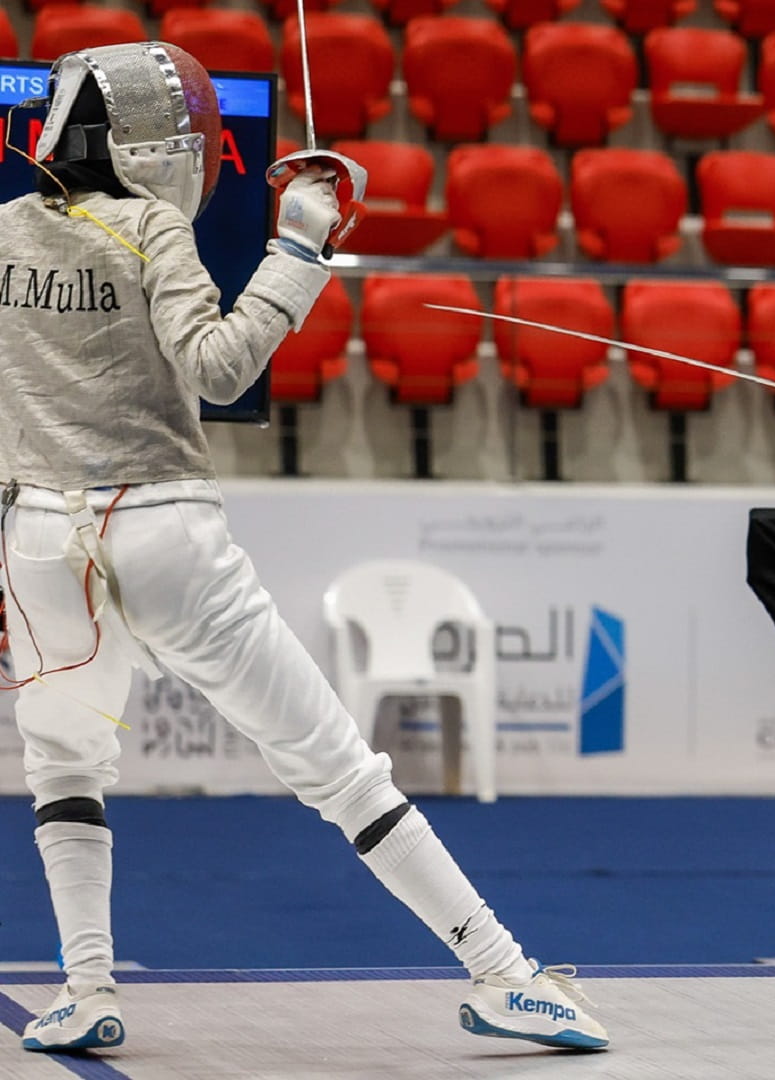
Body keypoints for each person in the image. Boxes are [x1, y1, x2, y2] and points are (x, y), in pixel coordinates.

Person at [0, 43, 606, 1053]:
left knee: (65, 761)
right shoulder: (152, 226)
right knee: (337, 770)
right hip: (160, 530)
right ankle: (505, 974)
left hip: (34, 541)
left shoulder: (4, 232)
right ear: (153, 144)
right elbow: (222, 366)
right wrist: (303, 242)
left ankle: (88, 990)